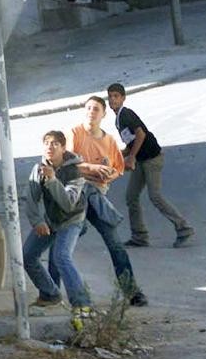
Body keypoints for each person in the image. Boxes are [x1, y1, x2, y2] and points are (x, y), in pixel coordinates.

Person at [48, 96, 148, 306]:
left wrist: (107, 175)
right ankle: (51, 291)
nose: (91, 112)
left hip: (96, 198)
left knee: (115, 244)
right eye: (88, 108)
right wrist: (92, 169)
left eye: (96, 109)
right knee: (61, 244)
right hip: (75, 197)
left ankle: (131, 291)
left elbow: (118, 168)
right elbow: (64, 164)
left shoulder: (109, 141)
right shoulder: (75, 134)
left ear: (103, 114)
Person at [106, 83, 195, 248]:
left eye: (116, 96)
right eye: (110, 96)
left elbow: (141, 135)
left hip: (152, 158)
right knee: (131, 196)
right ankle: (139, 236)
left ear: (123, 98)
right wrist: (117, 156)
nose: (113, 99)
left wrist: (131, 157)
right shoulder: (119, 118)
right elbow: (131, 142)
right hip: (141, 160)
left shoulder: (126, 114)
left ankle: (184, 228)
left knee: (155, 196)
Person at [22, 130, 93, 329]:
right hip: (51, 220)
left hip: (72, 220)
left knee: (61, 256)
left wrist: (53, 180)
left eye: (54, 144)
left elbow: (68, 204)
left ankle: (82, 304)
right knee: (27, 256)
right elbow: (31, 198)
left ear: (63, 148)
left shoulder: (75, 171)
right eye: (46, 143)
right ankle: (50, 294)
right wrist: (37, 221)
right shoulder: (39, 168)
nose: (50, 147)